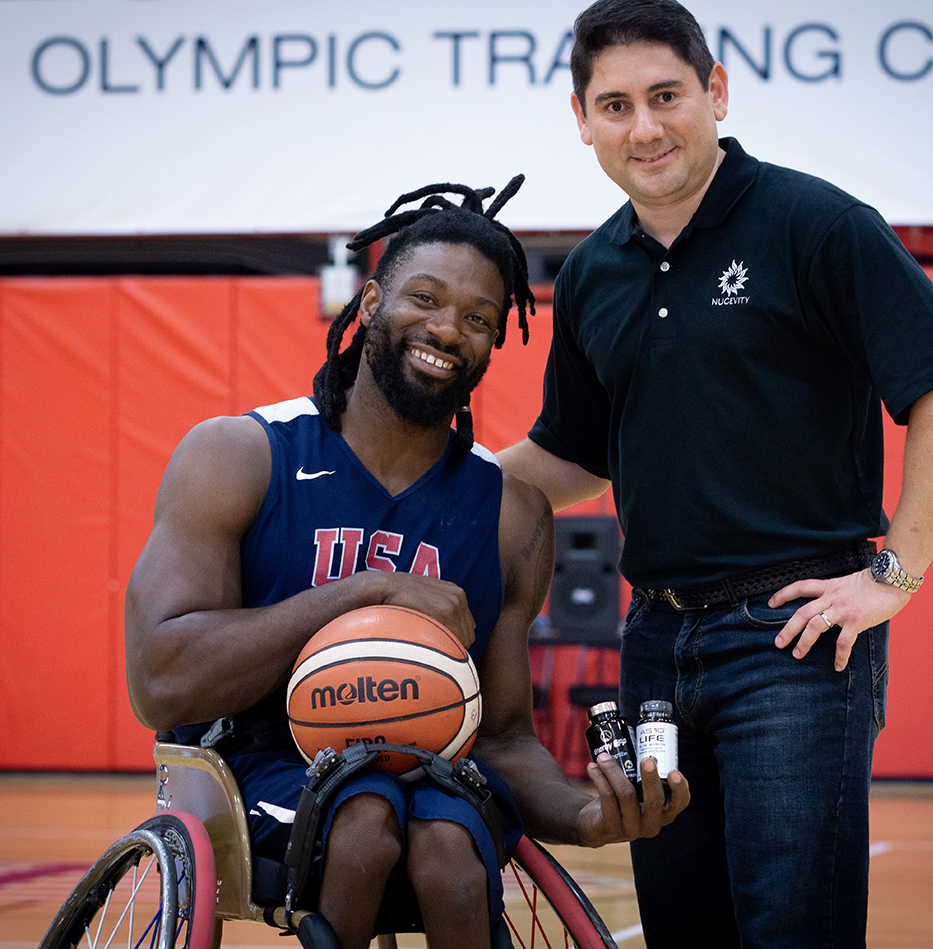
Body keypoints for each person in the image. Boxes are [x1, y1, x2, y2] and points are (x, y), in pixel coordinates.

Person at [495, 2, 933, 946]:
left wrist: (895, 575)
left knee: (791, 931)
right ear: (581, 119)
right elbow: (571, 457)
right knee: (687, 930)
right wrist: (438, 480)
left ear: (716, 92)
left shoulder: (816, 223)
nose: (643, 127)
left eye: (665, 96)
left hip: (793, 644)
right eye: (615, 105)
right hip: (654, 643)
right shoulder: (597, 270)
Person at [124, 178, 688, 949]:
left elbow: (503, 739)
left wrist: (590, 815)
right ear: (369, 304)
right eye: (424, 298)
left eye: (479, 318)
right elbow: (161, 680)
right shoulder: (240, 456)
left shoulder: (511, 514)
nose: (448, 328)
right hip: (255, 766)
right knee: (364, 821)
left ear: (495, 342)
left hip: (428, 776)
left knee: (452, 853)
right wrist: (367, 593)